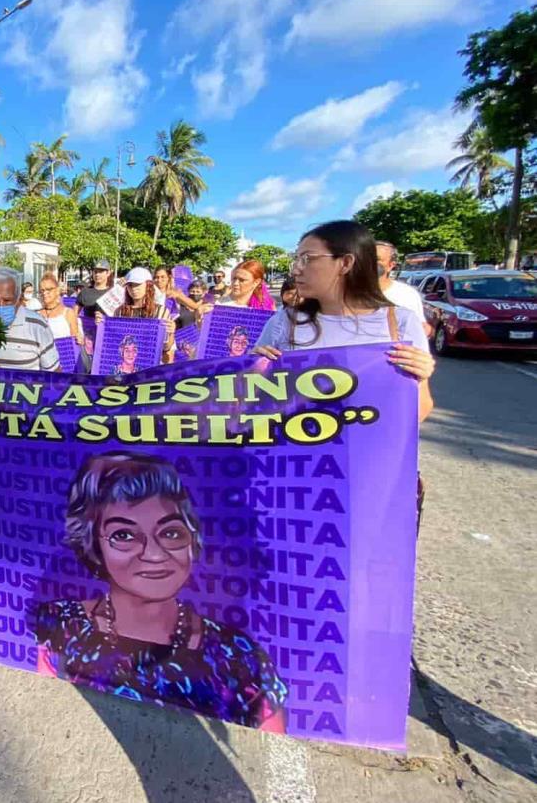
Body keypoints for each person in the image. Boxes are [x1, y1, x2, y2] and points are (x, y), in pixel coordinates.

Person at [34, 452, 288, 731]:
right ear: (93, 546)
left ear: (192, 540)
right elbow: (53, 725)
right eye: (124, 535)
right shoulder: (61, 622)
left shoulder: (239, 657)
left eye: (171, 533)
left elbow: (269, 758)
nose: (154, 555)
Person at [253, 220, 434, 424]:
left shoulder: (400, 322)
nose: (295, 270)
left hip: (365, 454)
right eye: (296, 260)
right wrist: (251, 371)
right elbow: (248, 406)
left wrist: (419, 378)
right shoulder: (284, 322)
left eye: (307, 259)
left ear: (346, 263)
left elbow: (420, 410)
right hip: (298, 453)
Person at [0, 267, 60, 372]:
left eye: (7, 300)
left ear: (19, 299)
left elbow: (54, 375)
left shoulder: (37, 326)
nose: (1, 306)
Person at [114, 267, 175, 364]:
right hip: (126, 367)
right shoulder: (119, 311)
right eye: (130, 285)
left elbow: (166, 346)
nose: (134, 289)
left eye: (137, 285)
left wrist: (171, 332)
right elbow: (114, 341)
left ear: (148, 285)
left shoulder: (160, 311)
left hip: (149, 367)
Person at [375, 242, 426, 326]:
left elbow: (419, 328)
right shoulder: (349, 292)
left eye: (377, 259)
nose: (369, 263)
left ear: (391, 265)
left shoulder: (406, 295)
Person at [37, 273, 83, 345]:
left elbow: (75, 342)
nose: (44, 293)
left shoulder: (68, 313)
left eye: (49, 289)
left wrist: (80, 340)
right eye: (42, 290)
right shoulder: (37, 314)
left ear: (57, 290)